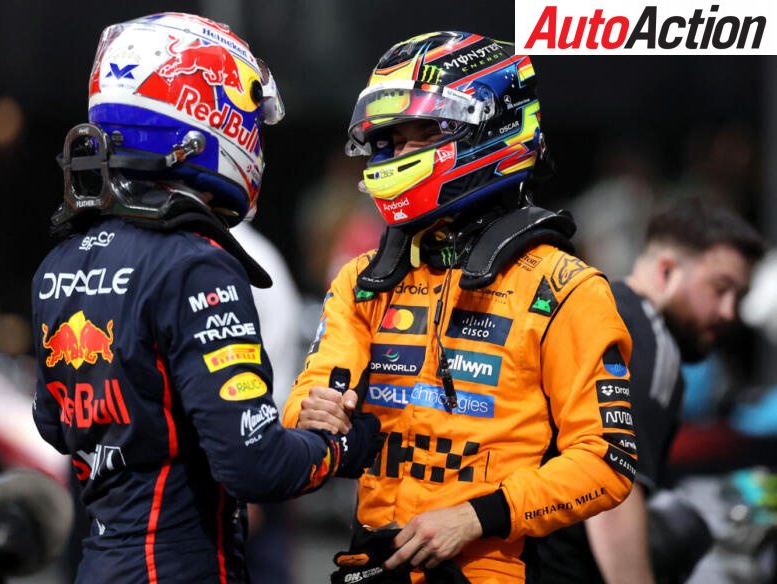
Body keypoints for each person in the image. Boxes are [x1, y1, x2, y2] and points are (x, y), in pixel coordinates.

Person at [30, 13, 383, 584]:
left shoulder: (60, 260)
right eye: (247, 116)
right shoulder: (195, 262)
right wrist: (353, 443)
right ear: (206, 112)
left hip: (97, 565)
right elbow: (256, 464)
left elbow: (52, 423)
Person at [282, 32, 637, 583]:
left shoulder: (567, 288)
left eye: (422, 136)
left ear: (492, 127)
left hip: (493, 567)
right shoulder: (364, 281)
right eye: (392, 142)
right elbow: (314, 392)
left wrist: (476, 517)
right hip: (373, 563)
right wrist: (309, 413)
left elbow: (607, 459)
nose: (400, 155)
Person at [539, 197, 765, 584]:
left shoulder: (599, 310)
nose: (729, 311)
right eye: (720, 288)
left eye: (738, 297)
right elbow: (612, 499)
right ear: (666, 271)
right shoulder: (647, 342)